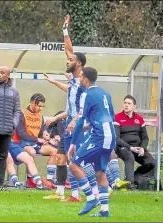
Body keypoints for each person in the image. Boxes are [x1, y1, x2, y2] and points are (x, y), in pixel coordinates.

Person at [43, 15, 98, 202]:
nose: (68, 60)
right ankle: (65, 193)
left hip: (78, 125)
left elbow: (82, 105)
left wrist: (75, 120)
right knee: (64, 158)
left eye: (71, 59)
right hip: (69, 123)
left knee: (76, 159)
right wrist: (65, 29)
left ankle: (94, 189)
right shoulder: (74, 82)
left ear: (79, 64)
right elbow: (68, 50)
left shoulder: (82, 80)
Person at [68, 67, 116, 217]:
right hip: (110, 135)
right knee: (100, 171)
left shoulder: (86, 94)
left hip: (99, 136)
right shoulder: (105, 93)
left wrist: (73, 144)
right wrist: (92, 124)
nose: (79, 79)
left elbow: (81, 120)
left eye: (81, 76)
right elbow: (111, 116)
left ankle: (90, 198)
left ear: (86, 79)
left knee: (74, 164)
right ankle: (104, 210)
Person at [12, 93, 58, 188]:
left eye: (42, 106)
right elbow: (21, 134)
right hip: (23, 142)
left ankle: (49, 180)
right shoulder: (22, 114)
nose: (40, 109)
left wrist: (46, 134)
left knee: (54, 151)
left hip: (36, 143)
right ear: (32, 103)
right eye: (39, 106)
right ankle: (30, 180)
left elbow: (42, 130)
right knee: (32, 151)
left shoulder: (40, 116)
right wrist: (38, 139)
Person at [114, 95, 156, 190]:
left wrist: (142, 148)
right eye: (125, 103)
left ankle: (132, 177)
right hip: (122, 148)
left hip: (138, 148)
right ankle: (130, 185)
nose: (126, 105)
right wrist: (130, 147)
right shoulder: (117, 118)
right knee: (130, 156)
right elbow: (116, 138)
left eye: (129, 103)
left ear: (134, 106)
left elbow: (145, 137)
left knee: (152, 162)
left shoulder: (139, 119)